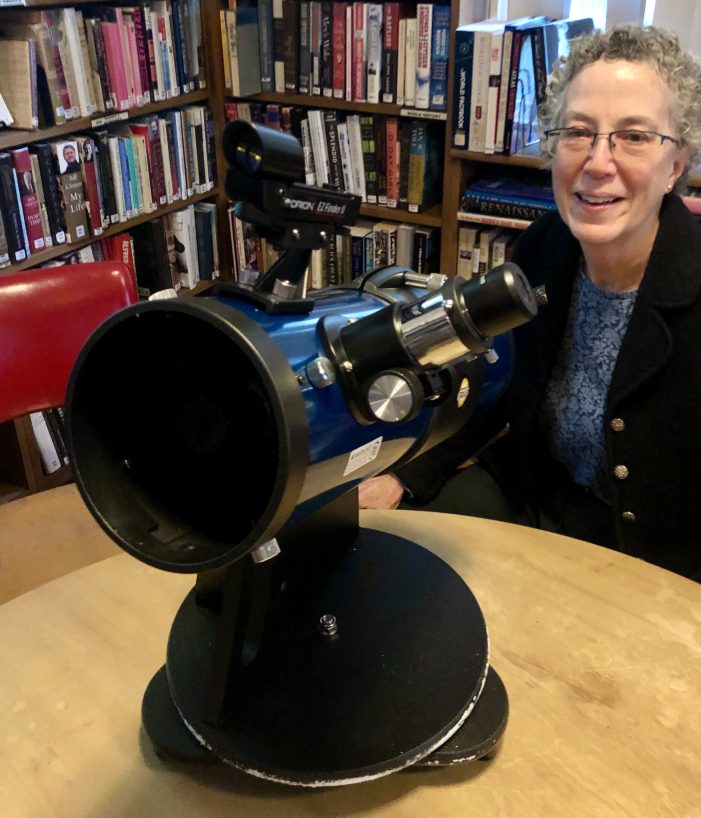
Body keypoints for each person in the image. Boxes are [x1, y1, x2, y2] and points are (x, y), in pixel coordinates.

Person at [359, 25, 701, 581]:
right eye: (578, 133)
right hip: (536, 494)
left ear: (677, 162)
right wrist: (409, 475)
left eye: (634, 136)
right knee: (400, 562)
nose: (597, 161)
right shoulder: (543, 247)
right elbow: (499, 382)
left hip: (658, 557)